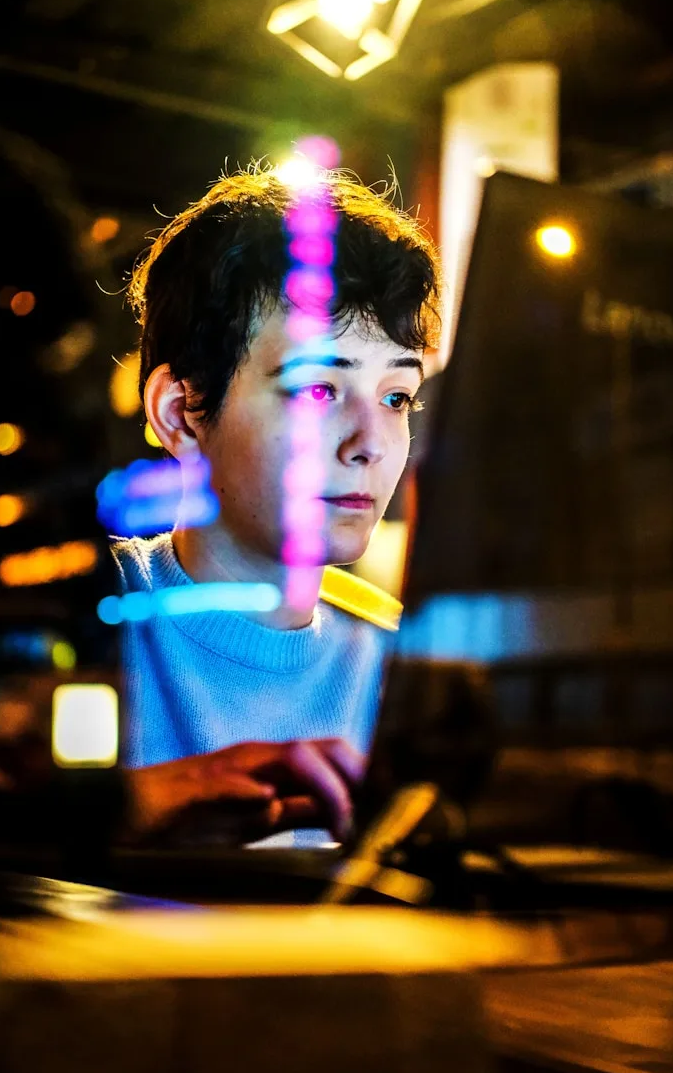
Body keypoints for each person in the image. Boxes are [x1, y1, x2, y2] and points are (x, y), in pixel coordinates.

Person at [116, 165, 440, 845]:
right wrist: (128, 808)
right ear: (180, 414)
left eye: (396, 397)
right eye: (320, 389)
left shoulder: (407, 669)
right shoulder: (80, 627)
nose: (371, 445)